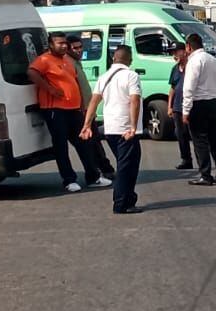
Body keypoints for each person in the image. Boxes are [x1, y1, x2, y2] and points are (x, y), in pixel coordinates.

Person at [28, 33, 108, 194]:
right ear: (51, 45)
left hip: (73, 109)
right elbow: (32, 72)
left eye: (65, 43)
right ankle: (69, 180)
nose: (63, 46)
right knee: (61, 146)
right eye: (59, 43)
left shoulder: (67, 60)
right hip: (55, 110)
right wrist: (49, 88)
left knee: (84, 143)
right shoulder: (44, 60)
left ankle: (93, 177)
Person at [82, 46, 143, 215]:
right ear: (130, 60)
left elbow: (93, 102)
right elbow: (134, 100)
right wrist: (132, 126)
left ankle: (128, 198)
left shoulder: (104, 77)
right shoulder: (131, 75)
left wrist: (87, 125)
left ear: (114, 59)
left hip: (110, 129)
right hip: (126, 129)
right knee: (126, 168)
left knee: (126, 165)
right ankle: (121, 203)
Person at [181, 33, 216, 185]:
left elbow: (189, 87)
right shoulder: (212, 59)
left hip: (199, 102)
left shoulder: (194, 61)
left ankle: (205, 175)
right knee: (214, 139)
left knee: (200, 140)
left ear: (188, 46)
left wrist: (185, 110)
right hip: (213, 101)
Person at [65, 32, 115, 178]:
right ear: (68, 49)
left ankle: (102, 169)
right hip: (81, 110)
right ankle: (104, 169)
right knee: (91, 142)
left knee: (94, 141)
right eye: (75, 48)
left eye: (80, 47)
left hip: (87, 109)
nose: (79, 50)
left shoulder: (75, 62)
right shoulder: (68, 63)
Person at [168, 39, 193, 171]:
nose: (174, 55)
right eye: (172, 52)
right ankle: (186, 159)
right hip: (178, 106)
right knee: (180, 134)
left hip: (191, 105)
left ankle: (202, 160)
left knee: (195, 134)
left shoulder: (192, 66)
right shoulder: (175, 69)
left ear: (185, 51)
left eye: (176, 51)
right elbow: (172, 88)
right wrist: (169, 106)